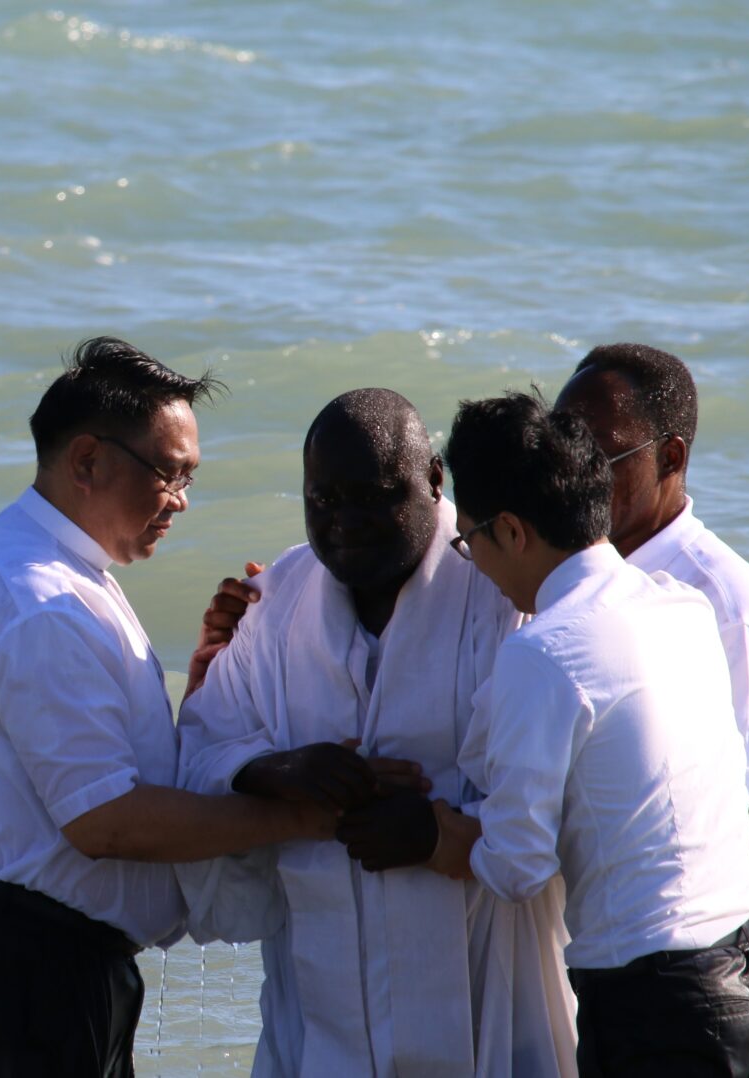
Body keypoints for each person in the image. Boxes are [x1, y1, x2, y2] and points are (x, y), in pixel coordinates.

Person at [0, 338, 374, 1078]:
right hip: (28, 971)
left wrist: (208, 682)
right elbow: (105, 822)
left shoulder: (52, 561)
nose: (181, 501)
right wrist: (305, 819)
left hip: (23, 954)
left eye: (190, 478)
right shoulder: (44, 602)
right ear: (88, 460)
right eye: (168, 473)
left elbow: (109, 765)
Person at [176, 389, 576, 1077]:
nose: (345, 522)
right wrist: (278, 771)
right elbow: (200, 753)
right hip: (319, 1007)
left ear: (434, 482)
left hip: (492, 992)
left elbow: (566, 797)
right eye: (323, 500)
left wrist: (431, 827)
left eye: (374, 497)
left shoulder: (500, 590)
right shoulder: (277, 601)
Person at [428, 390, 749, 1077]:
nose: (472, 563)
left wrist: (440, 838)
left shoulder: (542, 651)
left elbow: (518, 867)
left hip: (661, 1005)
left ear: (510, 531)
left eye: (468, 540)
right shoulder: (682, 607)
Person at [551, 344, 749, 1002]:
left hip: (731, 938)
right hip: (622, 924)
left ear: (671, 458)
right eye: (561, 453)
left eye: (597, 459)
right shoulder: (563, 573)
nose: (571, 477)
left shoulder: (731, 605)